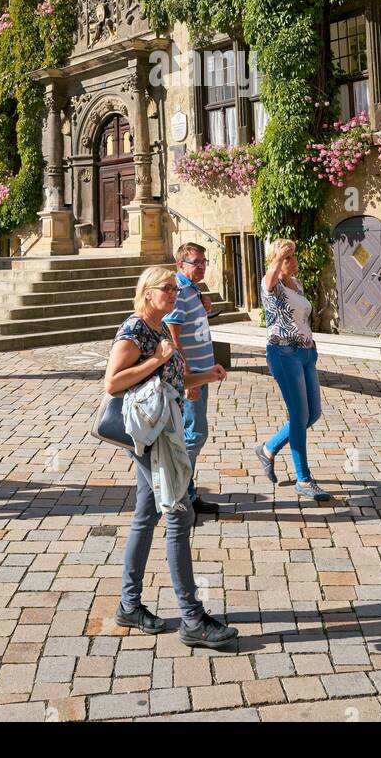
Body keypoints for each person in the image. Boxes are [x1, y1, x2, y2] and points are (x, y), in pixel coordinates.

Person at [107, 266, 237, 649]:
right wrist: (156, 359)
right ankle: (192, 619)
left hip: (164, 429)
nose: (175, 293)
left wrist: (204, 376)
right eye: (168, 288)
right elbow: (112, 382)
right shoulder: (135, 331)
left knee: (146, 514)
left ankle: (129, 606)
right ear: (148, 293)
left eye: (175, 289)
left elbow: (171, 378)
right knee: (180, 515)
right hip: (154, 437)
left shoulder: (161, 326)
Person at [254, 238, 332, 502]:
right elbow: (270, 275)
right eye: (288, 257)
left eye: (293, 256)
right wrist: (278, 257)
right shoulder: (270, 284)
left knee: (313, 414)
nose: (293, 260)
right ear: (276, 260)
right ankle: (304, 479)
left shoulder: (295, 284)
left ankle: (268, 448)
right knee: (299, 415)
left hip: (306, 353)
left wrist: (312, 348)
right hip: (283, 353)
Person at [162, 242, 226, 519]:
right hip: (191, 376)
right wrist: (188, 377)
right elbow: (172, 332)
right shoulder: (179, 291)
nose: (201, 266)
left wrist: (203, 304)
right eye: (195, 262)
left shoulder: (192, 290)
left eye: (203, 262)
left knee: (192, 435)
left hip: (201, 372)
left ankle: (185, 492)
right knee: (192, 435)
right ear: (180, 265)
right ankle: (181, 496)